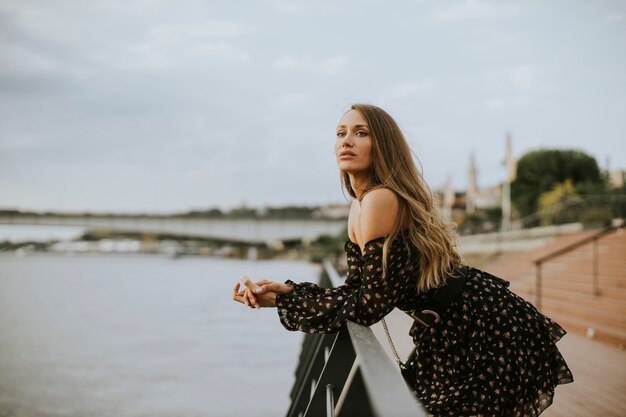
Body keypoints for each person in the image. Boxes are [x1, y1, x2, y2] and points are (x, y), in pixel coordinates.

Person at [232, 104, 573, 416]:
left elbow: (370, 304)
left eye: (360, 133)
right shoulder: (359, 206)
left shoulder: (381, 199)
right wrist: (287, 295)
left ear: (383, 145)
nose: (346, 141)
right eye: (340, 134)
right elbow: (357, 288)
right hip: (447, 330)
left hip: (482, 323)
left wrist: (294, 303)